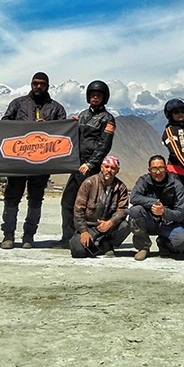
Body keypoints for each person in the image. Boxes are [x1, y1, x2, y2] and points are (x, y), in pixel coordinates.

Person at [0, 72, 65, 249]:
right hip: (18, 161)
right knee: (12, 197)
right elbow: (4, 125)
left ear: (47, 86)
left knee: (36, 199)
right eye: (35, 83)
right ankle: (8, 234)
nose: (38, 87)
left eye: (42, 84)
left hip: (42, 163)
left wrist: (48, 127)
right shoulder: (18, 104)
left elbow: (63, 133)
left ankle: (29, 236)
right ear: (31, 84)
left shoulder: (56, 108)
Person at [59, 80, 117, 247]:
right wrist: (70, 124)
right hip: (78, 166)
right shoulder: (82, 115)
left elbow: (104, 144)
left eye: (98, 95)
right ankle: (68, 237)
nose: (95, 97)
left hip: (93, 169)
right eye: (92, 95)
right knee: (68, 202)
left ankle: (97, 239)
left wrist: (91, 164)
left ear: (104, 98)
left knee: (93, 205)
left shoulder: (108, 119)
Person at [128, 155, 184, 261]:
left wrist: (164, 212)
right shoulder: (144, 181)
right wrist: (153, 203)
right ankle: (143, 247)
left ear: (166, 168)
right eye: (154, 169)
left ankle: (164, 243)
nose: (158, 172)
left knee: (183, 244)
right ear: (149, 170)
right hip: (149, 220)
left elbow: (180, 214)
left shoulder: (176, 185)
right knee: (134, 211)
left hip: (168, 223)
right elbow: (134, 197)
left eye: (161, 168)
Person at [70, 156, 130, 258]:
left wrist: (111, 222)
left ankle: (107, 243)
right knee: (78, 251)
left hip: (109, 228)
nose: (109, 170)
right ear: (101, 167)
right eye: (106, 167)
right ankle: (101, 244)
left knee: (126, 226)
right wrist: (84, 231)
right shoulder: (89, 183)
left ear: (117, 170)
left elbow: (122, 210)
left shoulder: (121, 187)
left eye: (113, 168)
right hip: (89, 227)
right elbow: (78, 210)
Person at [159, 98, 184, 209]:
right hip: (175, 175)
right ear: (170, 114)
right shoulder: (170, 131)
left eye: (182, 111)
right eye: (176, 112)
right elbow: (176, 153)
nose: (180, 114)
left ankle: (183, 227)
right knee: (176, 206)